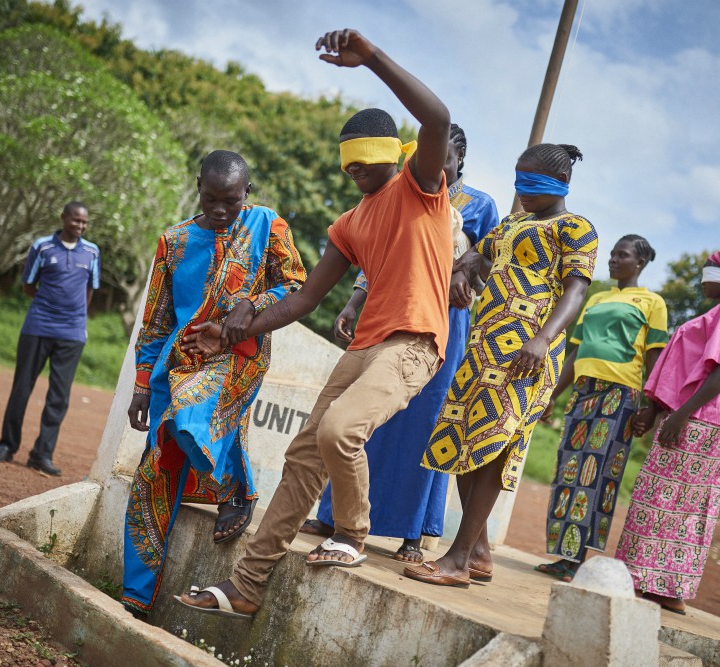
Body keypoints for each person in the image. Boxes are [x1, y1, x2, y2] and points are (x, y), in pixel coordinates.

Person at [173, 28, 452, 619]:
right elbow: (301, 302)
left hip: (413, 344)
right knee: (304, 458)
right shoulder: (350, 222)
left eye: (363, 162)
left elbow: (436, 117)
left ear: (386, 154)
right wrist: (233, 329)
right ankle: (246, 587)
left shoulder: (420, 188)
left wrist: (372, 57)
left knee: (337, 433)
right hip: (365, 346)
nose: (354, 174)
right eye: (348, 166)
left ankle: (352, 535)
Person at [121, 151, 307, 617]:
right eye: (211, 198)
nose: (221, 209)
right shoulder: (174, 241)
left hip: (238, 356)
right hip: (176, 364)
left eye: (231, 200)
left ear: (248, 192)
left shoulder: (268, 225)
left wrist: (251, 303)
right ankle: (136, 595)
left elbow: (298, 284)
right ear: (198, 187)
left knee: (188, 415)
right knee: (153, 470)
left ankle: (235, 488)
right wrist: (143, 384)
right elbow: (157, 319)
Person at [302, 123, 499, 563]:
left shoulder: (481, 205)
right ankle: (333, 515)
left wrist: (467, 275)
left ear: (459, 158)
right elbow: (381, 251)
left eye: (445, 159)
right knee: (358, 419)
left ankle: (413, 532)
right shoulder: (403, 188)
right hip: (389, 307)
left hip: (441, 318)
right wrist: (354, 302)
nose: (435, 166)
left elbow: (492, 257)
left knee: (424, 424)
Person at [406, 143, 599, 587]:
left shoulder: (576, 228)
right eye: (518, 181)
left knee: (494, 443)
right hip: (481, 348)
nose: (522, 191)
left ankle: (456, 561)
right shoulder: (512, 223)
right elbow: (475, 256)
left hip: (526, 355)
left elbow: (576, 291)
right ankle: (479, 554)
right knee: (461, 440)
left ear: (563, 184)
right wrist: (460, 273)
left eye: (534, 183)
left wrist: (543, 339)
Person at [614, 247, 720, 615]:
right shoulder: (718, 313)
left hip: (706, 420)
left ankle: (663, 584)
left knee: (683, 504)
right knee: (667, 500)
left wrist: (681, 416)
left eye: (709, 270)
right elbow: (686, 368)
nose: (703, 276)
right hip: (693, 416)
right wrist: (658, 410)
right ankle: (655, 583)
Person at [536, 235, 668, 582]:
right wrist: (551, 393)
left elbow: (655, 357)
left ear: (639, 263)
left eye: (621, 255)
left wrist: (652, 407)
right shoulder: (596, 298)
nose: (613, 260)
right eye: (612, 254)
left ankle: (577, 559)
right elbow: (575, 353)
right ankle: (563, 555)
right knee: (568, 470)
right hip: (583, 393)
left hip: (619, 395)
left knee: (596, 475)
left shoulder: (652, 302)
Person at [0, 201, 100, 476]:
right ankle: (6, 446)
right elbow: (28, 285)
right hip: (38, 326)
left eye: (84, 223)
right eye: (75, 220)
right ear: (63, 218)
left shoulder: (92, 252)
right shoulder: (42, 246)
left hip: (72, 334)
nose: (80, 226)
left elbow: (89, 290)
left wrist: (74, 317)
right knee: (22, 388)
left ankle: (42, 454)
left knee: (58, 397)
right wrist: (49, 307)